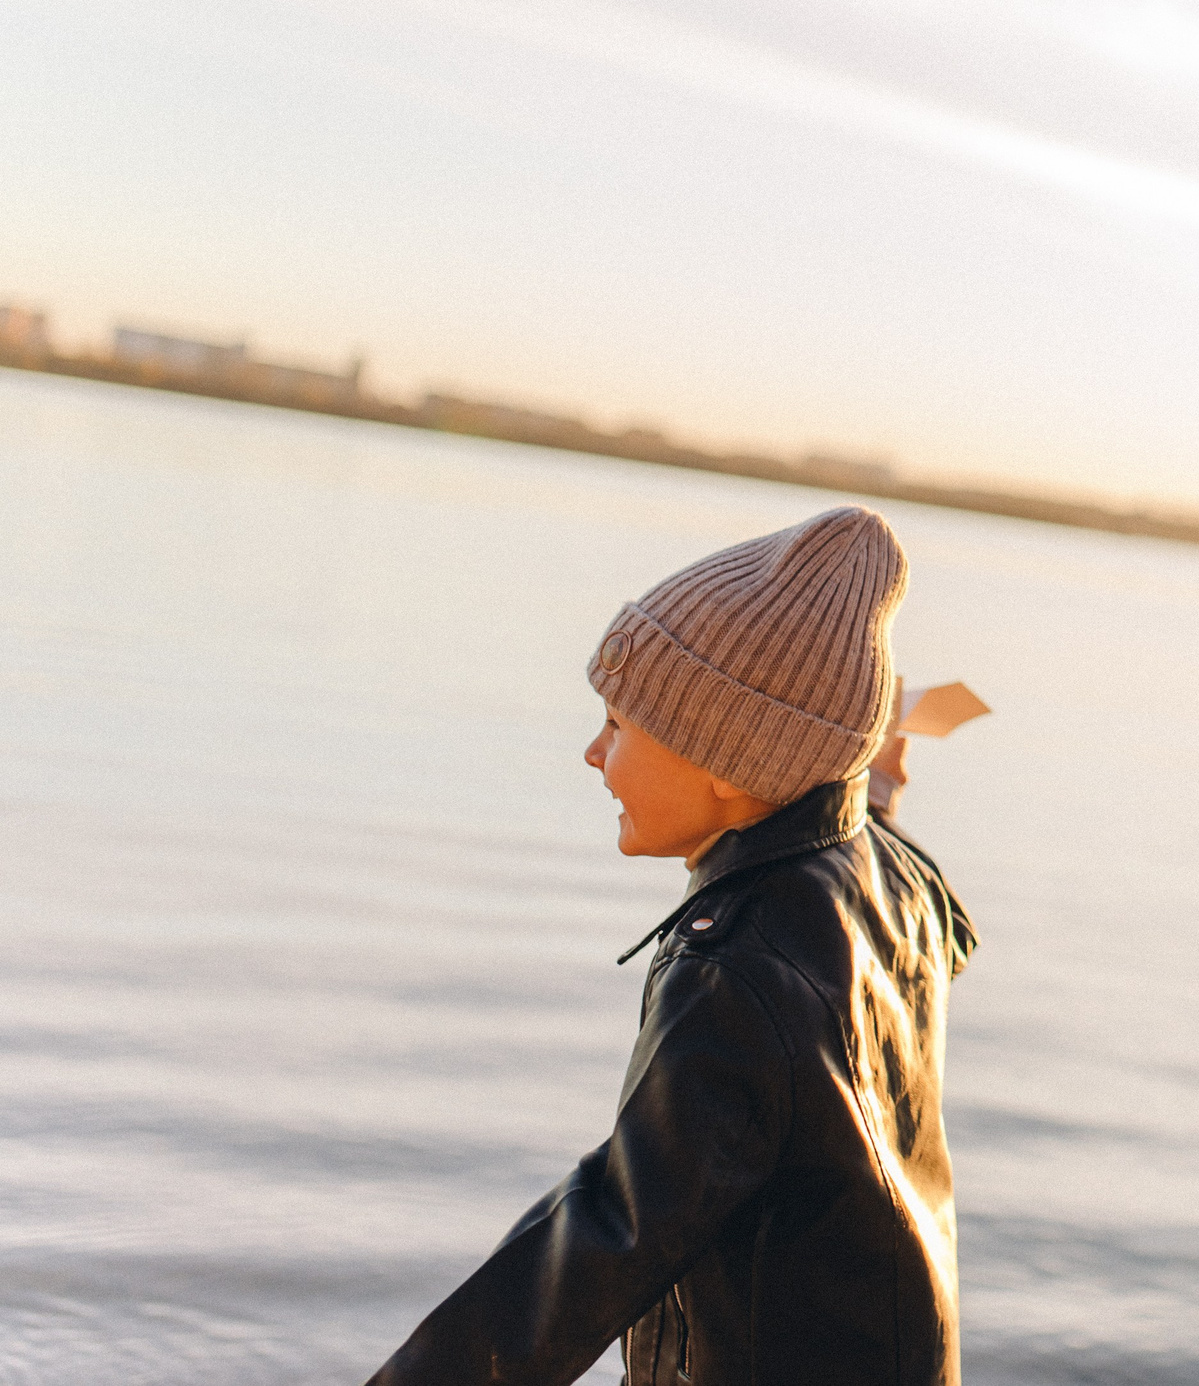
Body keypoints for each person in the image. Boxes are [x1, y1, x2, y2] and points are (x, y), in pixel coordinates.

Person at [366, 505, 977, 1386]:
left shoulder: (735, 979)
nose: (591, 750)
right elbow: (905, 883)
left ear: (727, 762)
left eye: (618, 725)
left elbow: (609, 1235)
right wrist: (871, 784)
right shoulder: (884, 876)